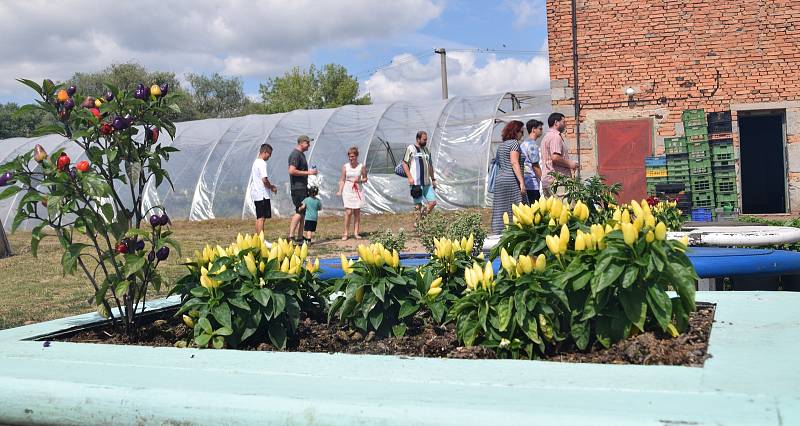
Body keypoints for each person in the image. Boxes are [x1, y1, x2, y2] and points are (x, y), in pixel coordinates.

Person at [490, 120, 527, 234]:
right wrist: (521, 182)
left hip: (500, 180)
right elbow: (514, 162)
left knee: (501, 208)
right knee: (517, 206)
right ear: (516, 132)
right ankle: (516, 231)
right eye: (521, 131)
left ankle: (499, 231)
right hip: (511, 179)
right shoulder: (514, 144)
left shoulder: (502, 145)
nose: (522, 134)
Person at [288, 135, 318, 242]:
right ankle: (291, 236)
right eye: (307, 143)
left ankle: (300, 237)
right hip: (297, 188)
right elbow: (291, 170)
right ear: (301, 143)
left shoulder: (301, 155)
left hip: (302, 187)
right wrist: (308, 172)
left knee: (303, 212)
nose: (309, 145)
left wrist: (309, 172)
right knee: (299, 210)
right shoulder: (295, 155)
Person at [540, 112, 579, 196]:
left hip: (549, 181)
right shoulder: (555, 136)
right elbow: (555, 158)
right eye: (563, 122)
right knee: (563, 207)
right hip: (558, 182)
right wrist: (570, 164)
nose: (565, 125)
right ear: (556, 122)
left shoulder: (547, 136)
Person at [401, 130, 437, 222]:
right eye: (424, 140)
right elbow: (404, 163)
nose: (426, 141)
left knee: (433, 202)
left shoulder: (426, 150)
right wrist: (409, 177)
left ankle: (422, 218)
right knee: (418, 206)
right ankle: (418, 226)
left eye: (426, 140)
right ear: (418, 139)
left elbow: (430, 166)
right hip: (416, 183)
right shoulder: (411, 148)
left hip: (426, 182)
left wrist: (433, 179)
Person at [336, 146, 368, 240]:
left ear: (356, 156)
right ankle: (345, 233)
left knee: (357, 212)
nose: (351, 158)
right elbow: (342, 179)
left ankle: (356, 232)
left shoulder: (361, 166)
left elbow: (365, 178)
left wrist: (360, 180)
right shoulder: (345, 166)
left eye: (353, 156)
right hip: (348, 189)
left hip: (357, 189)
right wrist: (340, 190)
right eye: (350, 156)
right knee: (348, 212)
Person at [249, 143, 277, 235]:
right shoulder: (262, 163)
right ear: (265, 152)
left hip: (256, 194)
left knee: (259, 217)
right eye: (269, 154)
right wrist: (271, 187)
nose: (270, 156)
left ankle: (258, 238)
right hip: (262, 194)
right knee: (262, 218)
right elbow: (264, 180)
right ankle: (261, 240)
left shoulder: (255, 162)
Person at [521, 119, 544, 203]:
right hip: (533, 184)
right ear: (533, 129)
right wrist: (543, 179)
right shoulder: (532, 145)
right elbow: (535, 165)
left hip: (525, 181)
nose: (541, 131)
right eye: (540, 129)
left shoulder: (523, 144)